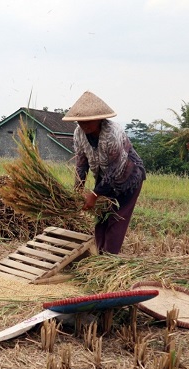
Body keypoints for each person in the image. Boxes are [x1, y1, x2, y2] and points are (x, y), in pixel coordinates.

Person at [62, 91, 146, 255]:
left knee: (116, 219)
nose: (83, 124)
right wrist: (77, 190)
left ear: (100, 118)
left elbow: (117, 169)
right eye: (80, 121)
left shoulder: (112, 132)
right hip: (104, 177)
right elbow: (81, 162)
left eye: (88, 120)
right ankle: (99, 256)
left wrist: (94, 194)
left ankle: (108, 260)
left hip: (128, 177)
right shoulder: (79, 134)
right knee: (101, 219)